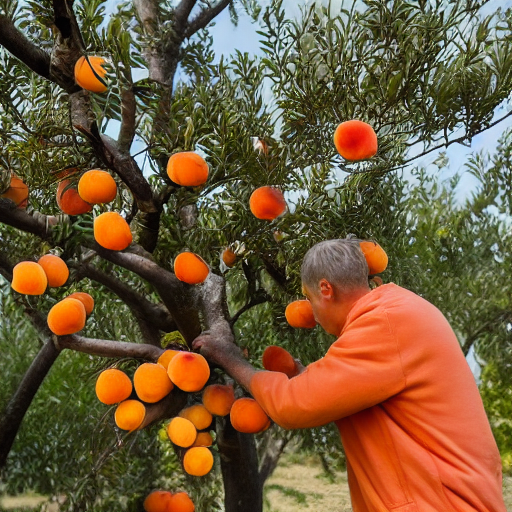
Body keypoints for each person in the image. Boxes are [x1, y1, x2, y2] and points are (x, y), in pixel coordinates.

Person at [192, 239, 506, 512]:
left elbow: (291, 405)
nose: (312, 312)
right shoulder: (395, 311)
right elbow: (366, 396)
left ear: (326, 289)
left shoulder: (385, 324)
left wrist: (231, 359)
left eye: (310, 298)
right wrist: (305, 376)